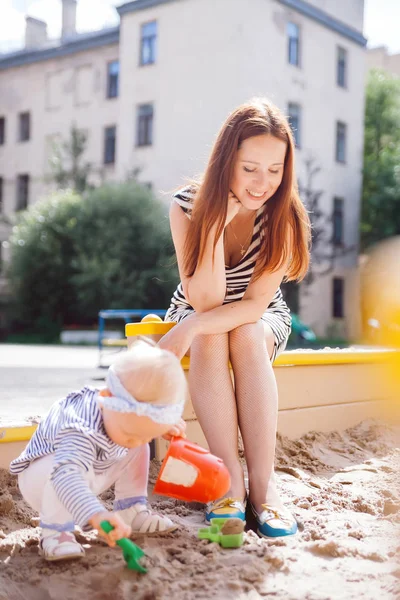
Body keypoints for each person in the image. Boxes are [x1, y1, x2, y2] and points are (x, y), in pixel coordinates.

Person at [159, 98, 311, 538]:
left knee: (242, 332)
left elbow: (255, 306)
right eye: (250, 168)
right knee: (211, 336)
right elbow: (204, 300)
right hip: (199, 306)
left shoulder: (284, 217)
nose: (263, 183)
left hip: (257, 314)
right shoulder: (186, 206)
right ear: (227, 161)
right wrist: (216, 225)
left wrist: (188, 327)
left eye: (275, 169)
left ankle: (263, 490)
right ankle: (226, 484)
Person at [9, 339, 187, 561]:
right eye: (130, 433)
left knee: (137, 445)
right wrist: (97, 514)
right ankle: (56, 531)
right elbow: (66, 477)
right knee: (65, 467)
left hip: (89, 472)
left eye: (147, 433)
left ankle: (130, 510)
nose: (135, 441)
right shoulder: (80, 428)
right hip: (45, 480)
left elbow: (138, 428)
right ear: (106, 400)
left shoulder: (123, 416)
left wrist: (156, 428)